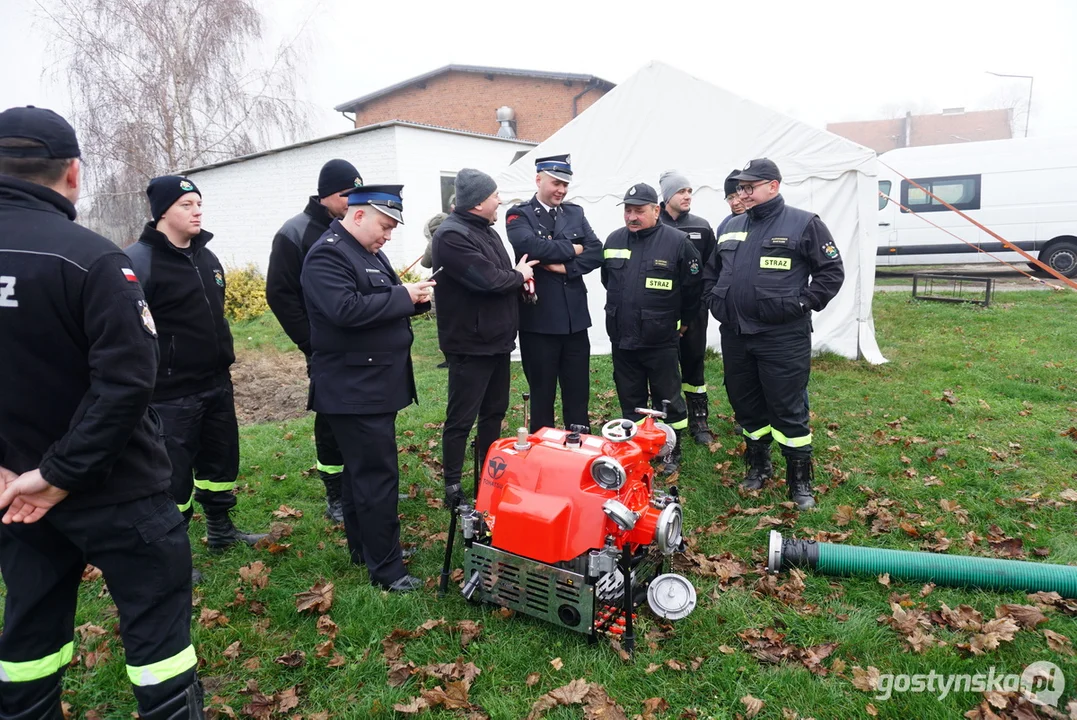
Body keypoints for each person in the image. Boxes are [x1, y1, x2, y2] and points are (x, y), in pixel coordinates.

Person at [0, 106, 203, 719]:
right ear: (73, 174)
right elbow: (125, 383)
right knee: (157, 639)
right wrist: (60, 475)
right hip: (116, 491)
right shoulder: (92, 259)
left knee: (29, 636)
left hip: (15, 491)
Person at [301, 185, 434, 593]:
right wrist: (402, 295)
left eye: (392, 228)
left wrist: (417, 299)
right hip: (354, 387)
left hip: (371, 383)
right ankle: (388, 570)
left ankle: (368, 549)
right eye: (385, 225)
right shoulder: (328, 254)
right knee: (377, 477)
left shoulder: (366, 252)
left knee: (364, 476)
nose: (388, 235)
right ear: (358, 215)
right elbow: (345, 310)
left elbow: (378, 299)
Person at [125, 176, 266, 560]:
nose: (197, 210)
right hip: (170, 393)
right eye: (187, 204)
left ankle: (221, 530)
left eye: (199, 203)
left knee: (220, 464)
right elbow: (130, 335)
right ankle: (173, 552)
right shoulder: (139, 262)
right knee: (173, 477)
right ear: (162, 213)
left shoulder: (207, 257)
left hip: (216, 382)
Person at [702, 158, 844, 510]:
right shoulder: (731, 225)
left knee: (787, 407)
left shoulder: (803, 223)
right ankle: (758, 465)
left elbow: (830, 272)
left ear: (773, 186)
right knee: (746, 405)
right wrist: (714, 300)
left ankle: (800, 481)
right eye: (740, 188)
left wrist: (802, 303)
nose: (743, 194)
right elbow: (711, 271)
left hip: (782, 336)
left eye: (750, 187)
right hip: (736, 334)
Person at [431, 169, 538, 507]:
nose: (500, 200)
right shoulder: (450, 236)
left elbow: (500, 277)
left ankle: (489, 477)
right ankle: (452, 488)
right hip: (469, 344)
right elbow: (489, 280)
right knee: (461, 418)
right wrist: (517, 274)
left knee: (494, 412)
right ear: (478, 202)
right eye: (494, 196)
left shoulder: (487, 232)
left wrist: (518, 282)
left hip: (497, 340)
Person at [266, 159, 364, 523]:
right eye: (346, 194)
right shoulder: (296, 233)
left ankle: (360, 484)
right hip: (324, 347)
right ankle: (335, 494)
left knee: (362, 416)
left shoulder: (354, 227)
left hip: (360, 344)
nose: (353, 201)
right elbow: (279, 295)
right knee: (331, 419)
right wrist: (311, 341)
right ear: (325, 196)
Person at [601, 183, 702, 474]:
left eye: (639, 211)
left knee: (667, 397)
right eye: (628, 210)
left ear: (656, 211)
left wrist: (683, 321)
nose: (632, 217)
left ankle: (671, 448)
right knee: (629, 398)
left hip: (659, 338)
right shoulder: (614, 240)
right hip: (622, 336)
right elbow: (608, 280)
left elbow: (693, 289)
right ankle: (634, 448)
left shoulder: (678, 242)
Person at [506, 154, 603, 432]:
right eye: (555, 183)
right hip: (540, 320)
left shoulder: (575, 213)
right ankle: (542, 450)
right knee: (542, 394)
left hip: (574, 321)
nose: (561, 190)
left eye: (565, 184)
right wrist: (574, 248)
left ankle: (579, 446)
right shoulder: (519, 214)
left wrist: (564, 268)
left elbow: (596, 251)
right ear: (538, 180)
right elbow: (532, 247)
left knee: (577, 393)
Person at [658, 171, 718, 445]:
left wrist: (700, 303)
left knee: (694, 363)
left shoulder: (701, 227)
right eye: (681, 191)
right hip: (660, 311)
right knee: (662, 366)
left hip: (693, 311)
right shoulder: (650, 222)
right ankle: (665, 416)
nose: (687, 196)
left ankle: (699, 418)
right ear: (667, 196)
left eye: (689, 191)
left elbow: (711, 268)